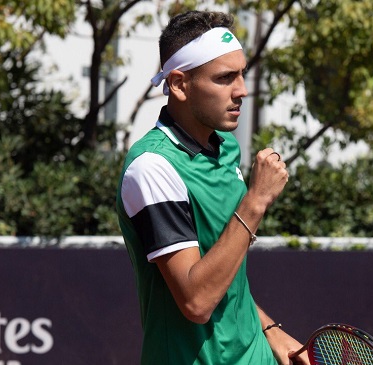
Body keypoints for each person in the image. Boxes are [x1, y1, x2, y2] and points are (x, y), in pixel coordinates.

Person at [116, 10, 309, 365]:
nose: (242, 90)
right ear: (179, 84)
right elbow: (197, 301)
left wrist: (270, 330)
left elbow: (227, 276)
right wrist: (256, 200)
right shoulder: (151, 168)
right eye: (224, 78)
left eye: (242, 74)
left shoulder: (226, 147)